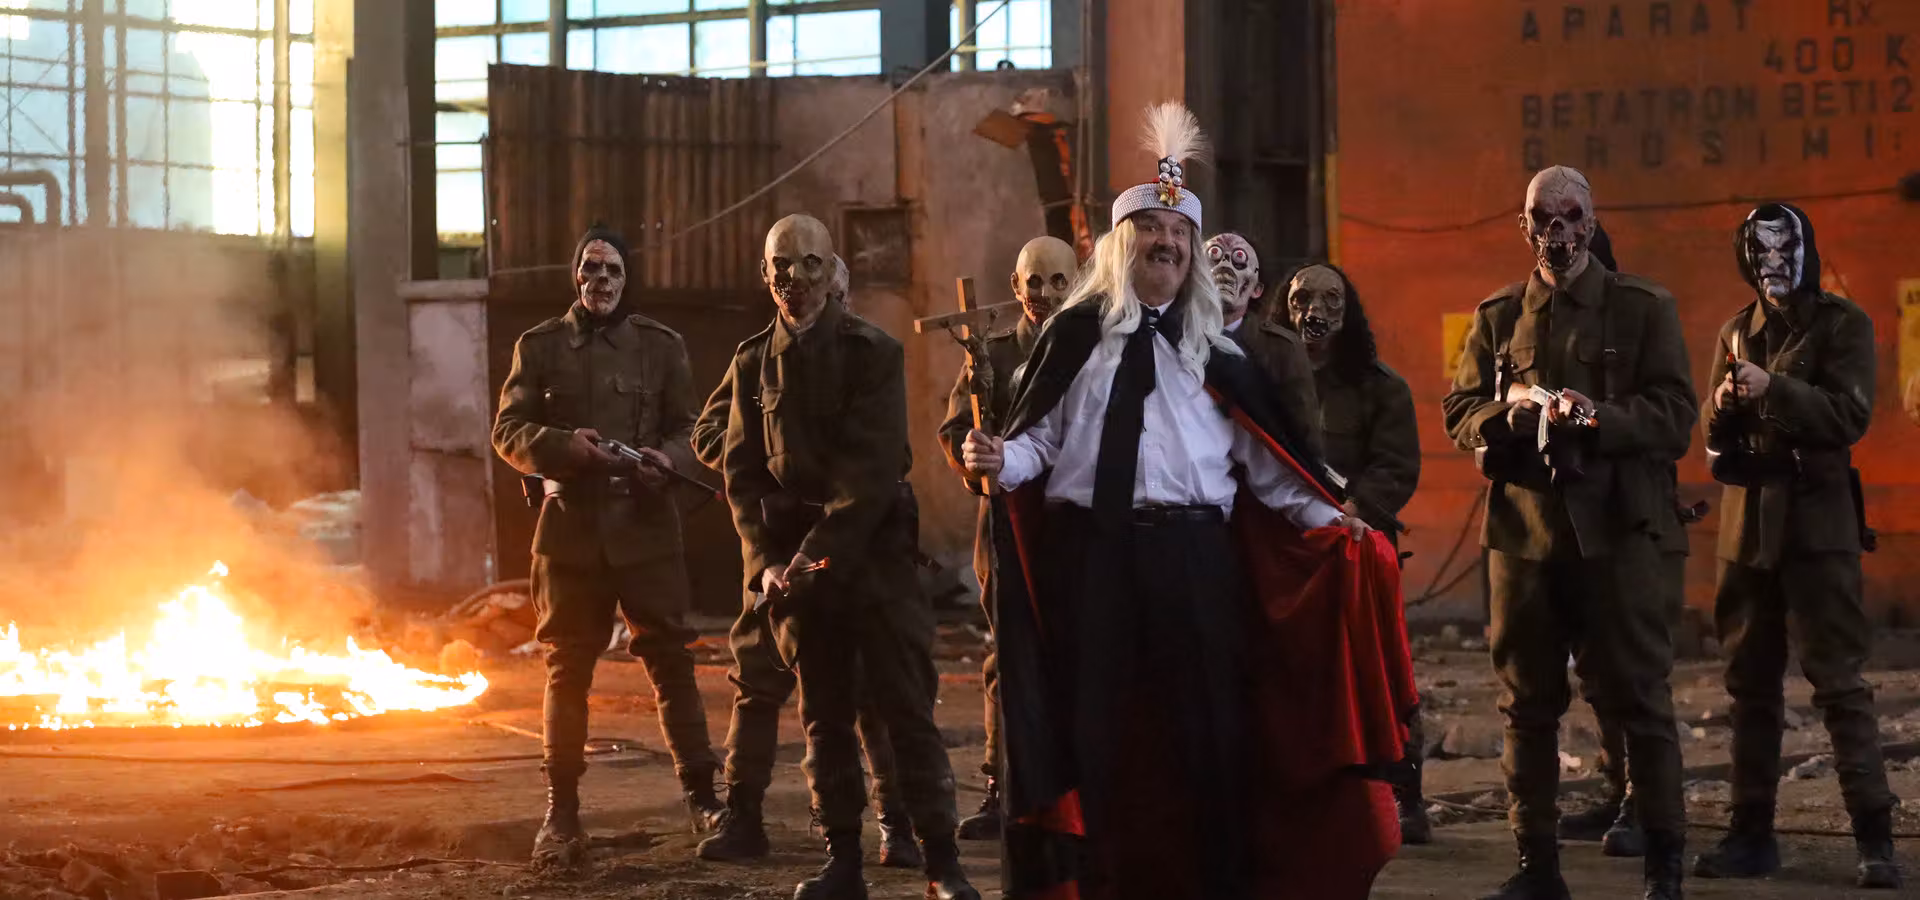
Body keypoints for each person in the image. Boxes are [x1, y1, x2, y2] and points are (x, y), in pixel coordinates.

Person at [961, 102, 1416, 900]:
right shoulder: (1074, 340)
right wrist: (998, 459)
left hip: (1197, 561)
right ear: (1120, 245)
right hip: (1094, 560)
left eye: (1179, 235)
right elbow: (1040, 445)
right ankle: (1101, 883)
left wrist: (1335, 522)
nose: (1166, 245)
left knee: (1207, 732)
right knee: (1096, 730)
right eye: (1150, 231)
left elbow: (1272, 472)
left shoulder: (1221, 356)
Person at [705, 213, 978, 900]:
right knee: (823, 721)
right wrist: (766, 562)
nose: (793, 278)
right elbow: (741, 475)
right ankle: (843, 862)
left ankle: (942, 865)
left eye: (809, 264)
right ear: (764, 275)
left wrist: (809, 556)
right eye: (780, 266)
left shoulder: (874, 354)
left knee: (905, 711)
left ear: (831, 274)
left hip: (874, 563)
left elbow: (869, 474)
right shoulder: (751, 363)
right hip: (802, 577)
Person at [1443, 166, 1695, 900]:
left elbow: (1677, 416)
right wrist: (1509, 415)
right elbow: (1459, 411)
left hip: (1618, 532)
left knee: (1641, 698)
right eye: (1544, 217)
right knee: (1526, 706)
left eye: (1572, 215)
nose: (1559, 231)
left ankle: (1665, 868)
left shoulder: (1643, 308)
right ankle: (1537, 868)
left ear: (1592, 220)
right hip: (1525, 538)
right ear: (1523, 226)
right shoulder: (1498, 316)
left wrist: (1597, 418)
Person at [491, 225, 725, 867]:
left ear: (627, 279)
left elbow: (691, 429)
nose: (601, 281)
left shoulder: (660, 347)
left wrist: (667, 460)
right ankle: (561, 813)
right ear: (576, 275)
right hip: (570, 531)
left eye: (613, 270)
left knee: (671, 661)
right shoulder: (539, 346)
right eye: (591, 268)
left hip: (646, 528)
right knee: (567, 668)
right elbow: (507, 430)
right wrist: (564, 447)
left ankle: (703, 799)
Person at [690, 256, 926, 872]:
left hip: (852, 547)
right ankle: (744, 815)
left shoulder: (868, 359)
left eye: (835, 294)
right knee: (757, 678)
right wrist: (768, 463)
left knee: (867, 693)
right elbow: (715, 432)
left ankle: (894, 824)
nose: (824, 303)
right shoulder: (759, 359)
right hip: (779, 546)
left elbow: (884, 460)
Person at [1691, 203, 1901, 889]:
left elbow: (1850, 415)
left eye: (1786, 249)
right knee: (1748, 686)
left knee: (1839, 684)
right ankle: (1750, 836)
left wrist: (1774, 388)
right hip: (1747, 525)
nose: (1775, 263)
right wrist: (1722, 404)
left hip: (1818, 525)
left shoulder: (1844, 325)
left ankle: (1875, 841)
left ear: (1807, 251)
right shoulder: (1735, 331)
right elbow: (1710, 432)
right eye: (1762, 252)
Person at [1555, 223, 1697, 860]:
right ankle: (1619, 792)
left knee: (1638, 675)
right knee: (1597, 674)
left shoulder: (1645, 325)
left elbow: (1672, 420)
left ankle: (1647, 806)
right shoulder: (1555, 336)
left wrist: (1596, 417)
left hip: (1642, 526)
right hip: (1580, 531)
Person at [1277, 261, 1427, 844]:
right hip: (1288, 555)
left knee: (1378, 669)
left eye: (1330, 300)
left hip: (1357, 550)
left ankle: (1404, 792)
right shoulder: (1268, 379)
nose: (1314, 311)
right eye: (1301, 299)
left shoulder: (1380, 387)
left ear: (1348, 311)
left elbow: (1397, 465)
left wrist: (1355, 512)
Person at [935, 234, 1078, 842]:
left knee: (1075, 651)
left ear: (1076, 285)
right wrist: (973, 458)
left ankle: (1071, 788)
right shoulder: (988, 354)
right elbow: (955, 428)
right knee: (1008, 656)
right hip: (1005, 524)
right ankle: (1002, 786)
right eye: (1033, 282)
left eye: (1057, 281)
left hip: (1073, 523)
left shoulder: (1091, 348)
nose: (1043, 294)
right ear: (1016, 287)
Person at [1205, 231, 1324, 465]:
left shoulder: (1282, 349)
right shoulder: (1175, 337)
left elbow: (1304, 437)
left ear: (1257, 289)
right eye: (1214, 256)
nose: (1225, 266)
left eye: (1239, 260)